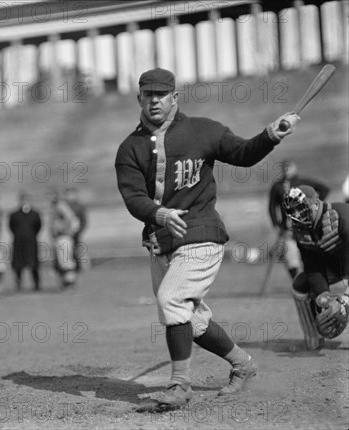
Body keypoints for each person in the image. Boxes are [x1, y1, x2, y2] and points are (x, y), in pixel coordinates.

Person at [114, 67, 300, 410]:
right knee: (193, 320)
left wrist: (271, 134)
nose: (155, 100)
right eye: (148, 94)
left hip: (202, 235)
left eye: (161, 94)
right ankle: (243, 364)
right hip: (161, 241)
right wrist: (160, 214)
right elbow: (133, 197)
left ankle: (180, 386)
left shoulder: (203, 130)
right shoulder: (130, 148)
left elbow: (243, 154)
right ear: (138, 98)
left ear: (175, 97)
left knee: (171, 300)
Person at [283, 185, 349, 350]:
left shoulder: (342, 217)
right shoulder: (302, 232)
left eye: (300, 208)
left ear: (315, 203)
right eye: (292, 211)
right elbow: (313, 269)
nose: (297, 215)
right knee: (299, 286)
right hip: (336, 267)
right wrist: (324, 295)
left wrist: (344, 301)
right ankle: (314, 337)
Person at [268, 160, 330, 280]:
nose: (286, 171)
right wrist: (276, 224)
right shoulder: (277, 186)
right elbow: (271, 207)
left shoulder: (302, 183)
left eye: (289, 168)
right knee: (291, 259)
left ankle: (315, 282)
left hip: (306, 229)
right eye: (284, 168)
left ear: (294, 168)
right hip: (288, 229)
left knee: (311, 257)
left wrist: (315, 205)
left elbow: (325, 189)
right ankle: (299, 283)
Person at [9, 191, 42, 291]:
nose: (25, 202)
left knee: (33, 265)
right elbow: (11, 227)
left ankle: (36, 285)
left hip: (31, 242)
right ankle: (18, 285)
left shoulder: (35, 214)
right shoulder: (14, 214)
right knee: (18, 265)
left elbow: (38, 227)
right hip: (18, 242)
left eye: (27, 199)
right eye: (23, 199)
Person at [48, 189, 80, 289]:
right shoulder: (54, 207)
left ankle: (70, 284)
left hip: (64, 237)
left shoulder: (61, 206)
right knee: (61, 261)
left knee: (66, 261)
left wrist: (66, 230)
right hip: (58, 238)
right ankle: (65, 283)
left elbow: (71, 218)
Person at [65, 187, 88, 272]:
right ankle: (70, 268)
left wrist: (79, 231)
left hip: (76, 233)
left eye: (71, 194)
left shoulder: (79, 206)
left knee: (78, 250)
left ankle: (80, 267)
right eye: (67, 194)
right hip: (66, 233)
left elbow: (84, 221)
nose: (69, 196)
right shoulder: (64, 206)